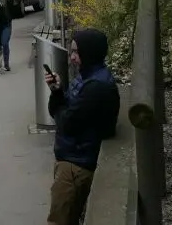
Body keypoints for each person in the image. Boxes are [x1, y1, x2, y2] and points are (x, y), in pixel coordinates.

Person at [42, 28, 121, 225]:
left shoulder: (96, 86)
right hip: (72, 157)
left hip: (76, 165)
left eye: (76, 52)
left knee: (61, 220)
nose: (72, 58)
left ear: (90, 52)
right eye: (71, 52)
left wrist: (61, 105)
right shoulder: (85, 78)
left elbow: (66, 122)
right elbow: (60, 113)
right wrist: (57, 92)